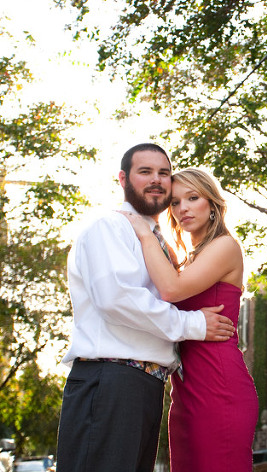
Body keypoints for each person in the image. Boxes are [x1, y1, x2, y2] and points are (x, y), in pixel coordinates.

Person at [57, 143, 236, 472]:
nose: (156, 180)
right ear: (123, 179)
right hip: (109, 381)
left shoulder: (158, 243)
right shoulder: (108, 228)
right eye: (145, 172)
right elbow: (116, 299)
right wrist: (193, 324)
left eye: (164, 173)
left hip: (146, 386)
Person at [120, 167, 259, 472]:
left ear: (211, 204)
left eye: (192, 198)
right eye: (174, 202)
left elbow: (171, 289)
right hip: (185, 390)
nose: (182, 208)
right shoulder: (188, 258)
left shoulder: (224, 246)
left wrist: (143, 232)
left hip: (219, 385)